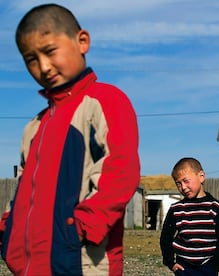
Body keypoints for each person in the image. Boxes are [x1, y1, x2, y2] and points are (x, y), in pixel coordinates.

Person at [0, 3, 140, 275]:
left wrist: (80, 229)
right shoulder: (35, 125)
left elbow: (121, 170)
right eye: (31, 59)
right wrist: (8, 230)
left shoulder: (105, 101)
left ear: (82, 41)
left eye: (50, 51)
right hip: (29, 266)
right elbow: (21, 187)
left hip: (82, 262)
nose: (43, 66)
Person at [160, 158, 219, 276]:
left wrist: (216, 263)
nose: (183, 187)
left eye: (186, 181)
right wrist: (170, 263)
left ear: (201, 177)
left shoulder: (215, 208)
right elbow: (166, 237)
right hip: (183, 267)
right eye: (178, 183)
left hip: (208, 266)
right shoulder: (176, 209)